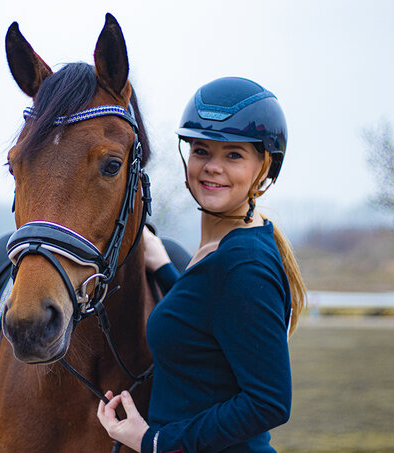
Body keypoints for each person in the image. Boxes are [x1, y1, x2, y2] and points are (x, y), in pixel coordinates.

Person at [97, 76, 306, 453]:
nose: (212, 167)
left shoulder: (245, 265)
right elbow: (205, 322)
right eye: (201, 150)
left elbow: (269, 402)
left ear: (265, 165)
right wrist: (163, 267)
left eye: (234, 155)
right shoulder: (222, 248)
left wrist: (156, 442)